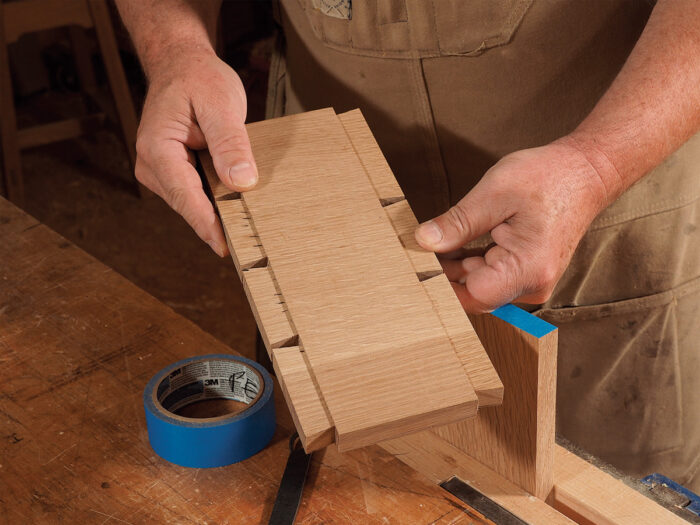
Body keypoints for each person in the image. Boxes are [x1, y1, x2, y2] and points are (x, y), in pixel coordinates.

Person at [115, 0, 700, 490]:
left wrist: (594, 166)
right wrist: (175, 50)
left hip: (608, 152)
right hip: (316, 172)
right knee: (339, 467)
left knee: (602, 488)